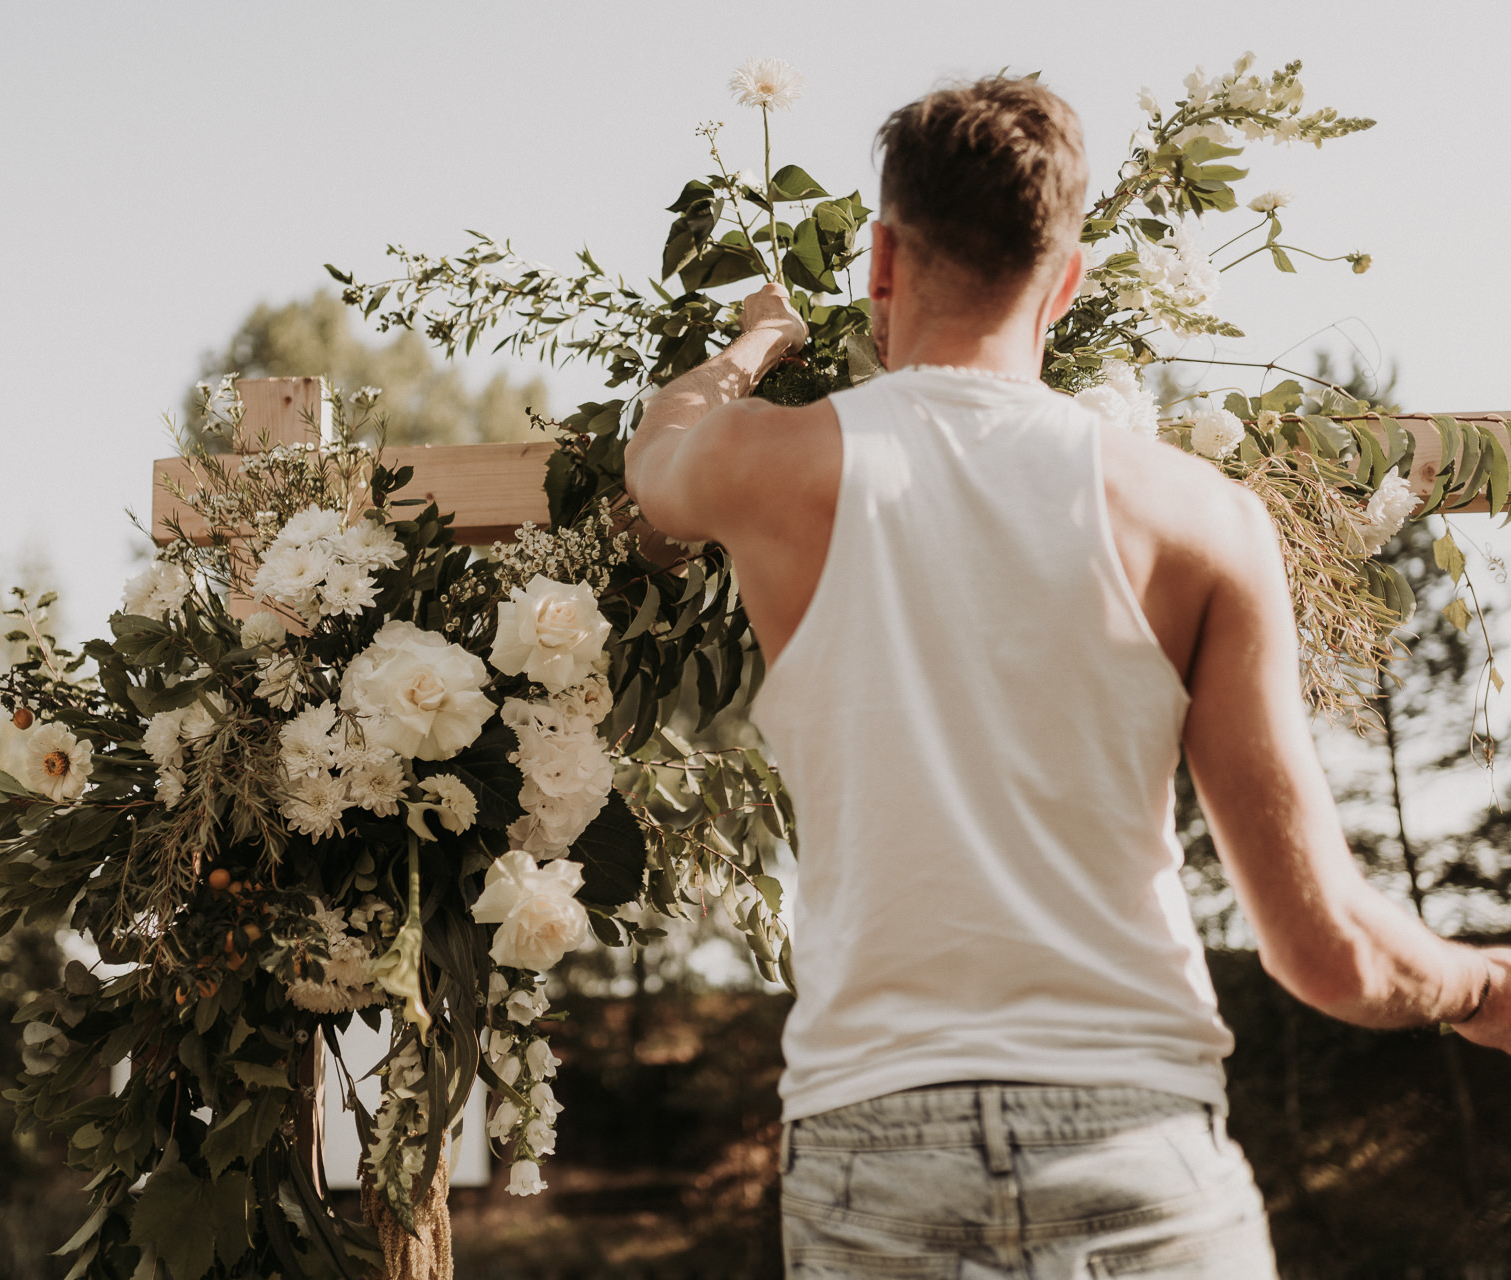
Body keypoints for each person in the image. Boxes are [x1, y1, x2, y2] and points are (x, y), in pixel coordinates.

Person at [622, 76, 1511, 1278]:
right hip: (1139, 1149)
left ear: (883, 259)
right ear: (1069, 279)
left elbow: (656, 450)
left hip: (877, 1159)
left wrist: (761, 340)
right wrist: (1478, 983)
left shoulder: (768, 466)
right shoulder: (1202, 519)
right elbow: (1330, 953)